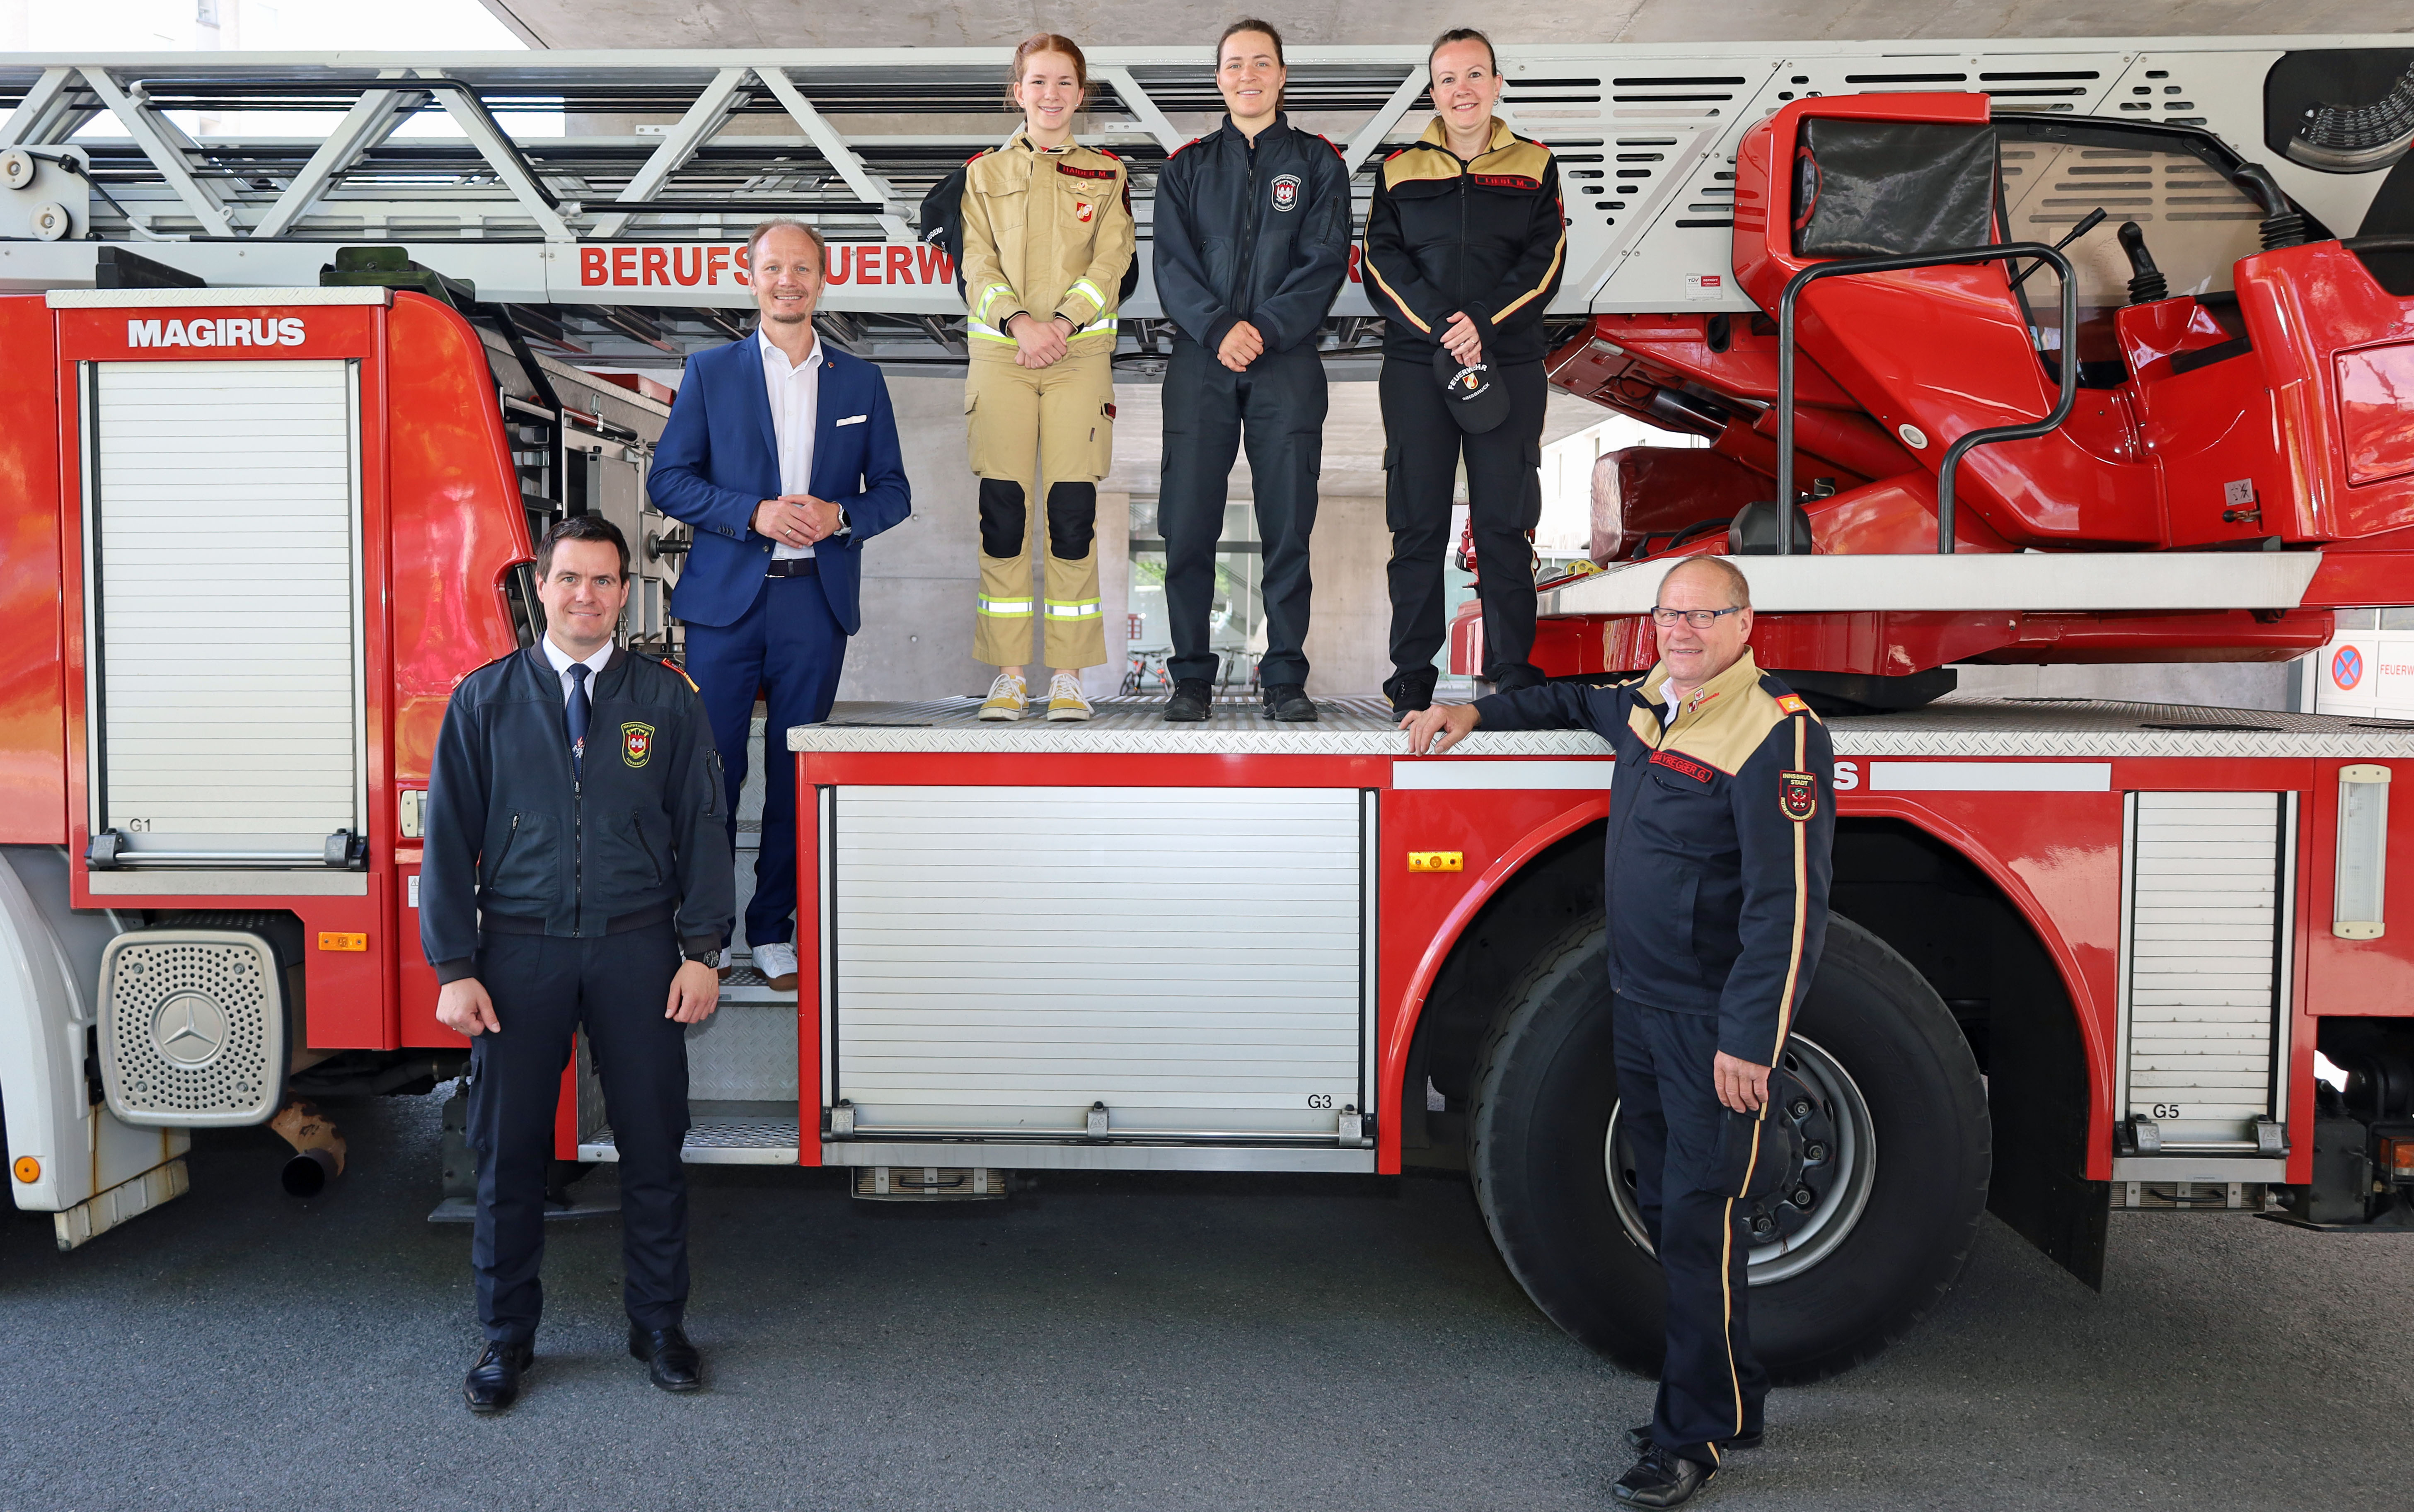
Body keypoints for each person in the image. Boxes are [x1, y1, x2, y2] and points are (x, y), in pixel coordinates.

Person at [1401, 556, 1836, 1508]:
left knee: (1694, 1222)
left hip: (1709, 1028)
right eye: (1669, 614)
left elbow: (1789, 907)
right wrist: (1471, 714)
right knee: (1688, 1214)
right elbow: (1565, 703)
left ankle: (1688, 1441)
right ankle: (1734, 1397)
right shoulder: (1651, 703)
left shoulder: (1777, 734)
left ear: (1744, 621)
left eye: (1702, 615)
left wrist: (1750, 1042)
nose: (1680, 629)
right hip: (1638, 1005)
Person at [421, 514, 736, 1415]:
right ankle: (504, 1339)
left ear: (624, 594)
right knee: (507, 1153)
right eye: (569, 580)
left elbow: (702, 830)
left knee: (652, 1146)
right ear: (542, 589)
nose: (586, 597)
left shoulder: (667, 699)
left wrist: (702, 950)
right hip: (518, 951)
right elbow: (446, 842)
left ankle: (659, 1325)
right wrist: (455, 965)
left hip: (639, 947)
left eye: (603, 582)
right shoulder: (484, 700)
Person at [648, 218, 911, 992]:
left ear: (822, 279)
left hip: (814, 605)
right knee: (711, 776)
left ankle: (771, 930)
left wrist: (842, 516)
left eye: (801, 268)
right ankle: (706, 934)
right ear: (750, 275)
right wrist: (754, 512)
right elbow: (671, 480)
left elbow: (893, 492)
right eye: (772, 268)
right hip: (725, 607)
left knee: (796, 772)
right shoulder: (711, 371)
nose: (786, 281)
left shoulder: (861, 382)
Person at [1149, 18, 1352, 724]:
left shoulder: (1320, 164)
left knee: (1288, 527)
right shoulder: (1184, 168)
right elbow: (1169, 268)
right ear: (1219, 80)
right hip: (1201, 362)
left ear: (1282, 76)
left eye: (1261, 63)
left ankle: (1285, 677)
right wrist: (1218, 329)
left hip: (1286, 362)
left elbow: (1324, 263)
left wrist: (1261, 329)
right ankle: (1190, 680)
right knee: (1185, 525)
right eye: (1234, 65)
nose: (1248, 76)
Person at [1363, 27, 1567, 712]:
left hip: (1505, 359)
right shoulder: (1397, 169)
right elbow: (1380, 264)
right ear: (1432, 90)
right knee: (1416, 522)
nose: (1463, 90)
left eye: (1475, 75)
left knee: (1503, 522)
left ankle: (1512, 673)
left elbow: (1544, 263)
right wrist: (1446, 329)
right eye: (1448, 78)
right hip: (1418, 363)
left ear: (1497, 84)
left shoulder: (1536, 165)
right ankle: (1411, 677)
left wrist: (1480, 322)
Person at [960, 32, 1135, 722]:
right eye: (1038, 82)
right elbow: (975, 264)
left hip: (1077, 359)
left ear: (1081, 95)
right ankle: (1008, 675)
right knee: (1002, 516)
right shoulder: (981, 173)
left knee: (1071, 518)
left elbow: (1111, 260)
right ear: (1017, 91)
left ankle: (1066, 675)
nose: (1051, 95)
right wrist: (1017, 324)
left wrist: (1058, 324)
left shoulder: (1106, 173)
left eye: (1065, 83)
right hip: (1003, 357)